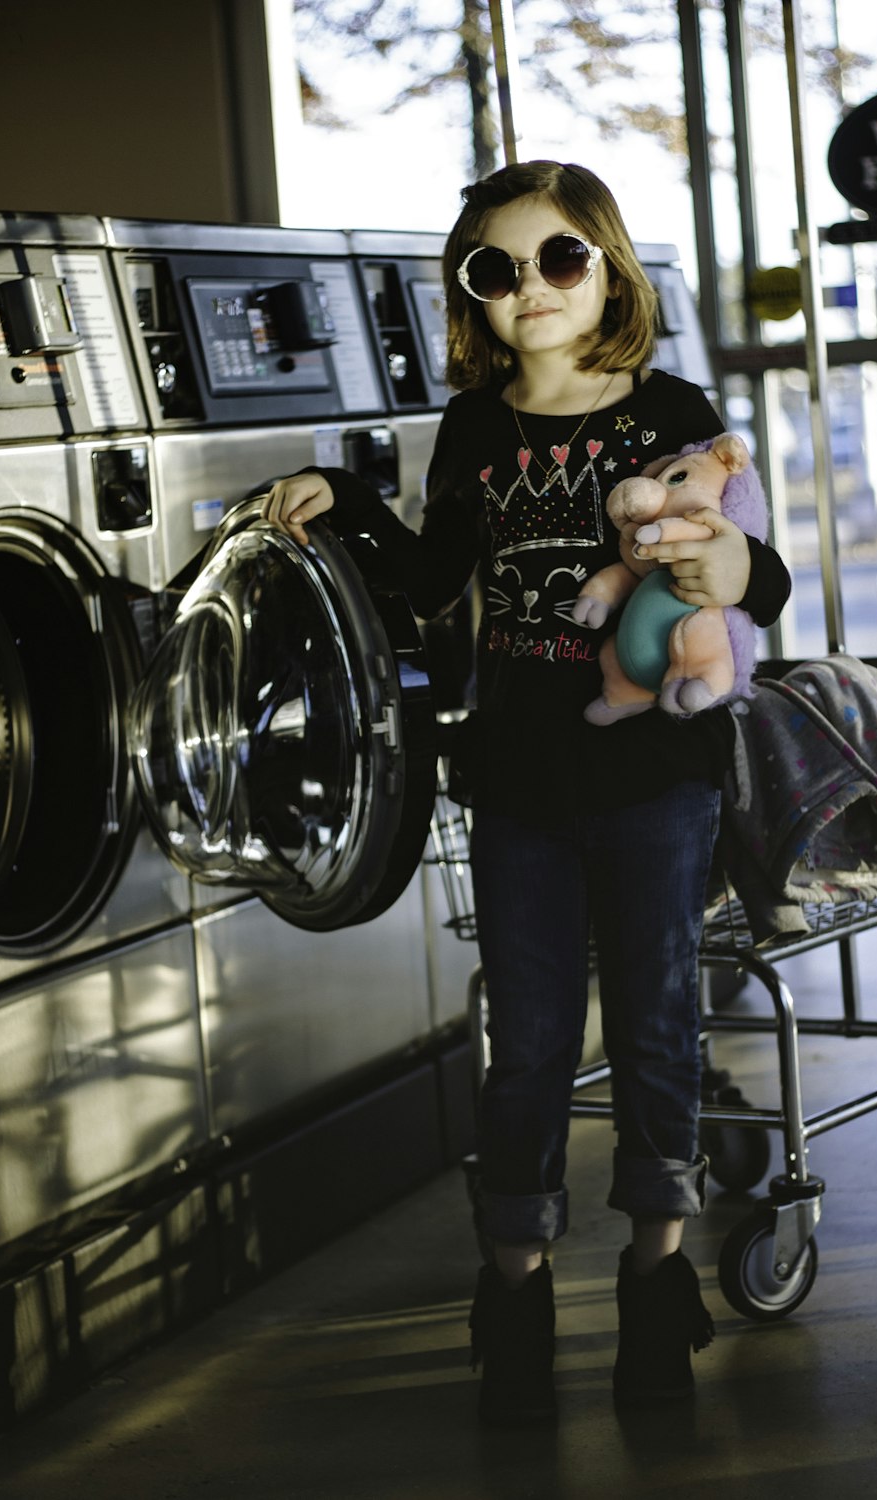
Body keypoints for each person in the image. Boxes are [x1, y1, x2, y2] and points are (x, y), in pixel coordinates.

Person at [262, 160, 791, 1428]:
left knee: (659, 1029)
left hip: (654, 774)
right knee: (530, 1045)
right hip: (515, 780)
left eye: (558, 258)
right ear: (472, 296)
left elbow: (755, 576)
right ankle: (515, 1296)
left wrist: (730, 561)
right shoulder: (478, 428)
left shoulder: (668, 406)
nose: (529, 289)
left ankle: (657, 1283)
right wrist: (345, 509)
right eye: (494, 270)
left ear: (606, 264)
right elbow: (438, 575)